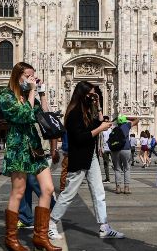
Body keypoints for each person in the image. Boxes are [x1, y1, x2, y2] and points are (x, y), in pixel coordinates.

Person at [48, 81, 125, 241]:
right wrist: (100, 129)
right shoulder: (74, 113)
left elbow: (97, 123)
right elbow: (81, 137)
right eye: (90, 95)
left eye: (94, 95)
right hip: (79, 158)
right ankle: (51, 223)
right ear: (82, 94)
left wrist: (99, 105)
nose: (92, 97)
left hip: (91, 157)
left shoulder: (86, 111)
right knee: (68, 193)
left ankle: (104, 227)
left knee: (99, 192)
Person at [0, 62, 61, 251]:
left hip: (34, 148)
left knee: (48, 189)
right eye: (28, 76)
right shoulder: (5, 96)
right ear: (18, 76)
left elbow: (43, 115)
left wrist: (41, 93)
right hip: (18, 148)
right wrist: (32, 92)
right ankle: (11, 238)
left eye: (33, 76)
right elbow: (24, 116)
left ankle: (40, 236)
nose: (31, 79)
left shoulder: (29, 95)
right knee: (18, 192)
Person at [110, 114, 139, 195]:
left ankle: (118, 188)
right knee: (127, 168)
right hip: (125, 149)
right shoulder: (127, 125)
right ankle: (126, 188)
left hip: (115, 150)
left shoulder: (115, 128)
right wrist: (127, 117)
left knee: (117, 169)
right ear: (124, 121)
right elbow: (137, 120)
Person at [101, 115, 114, 184]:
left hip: (111, 148)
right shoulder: (101, 129)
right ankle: (107, 178)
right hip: (105, 149)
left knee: (115, 163)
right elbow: (100, 140)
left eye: (107, 121)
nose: (105, 123)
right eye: (104, 121)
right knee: (106, 164)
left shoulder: (111, 129)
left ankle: (118, 178)